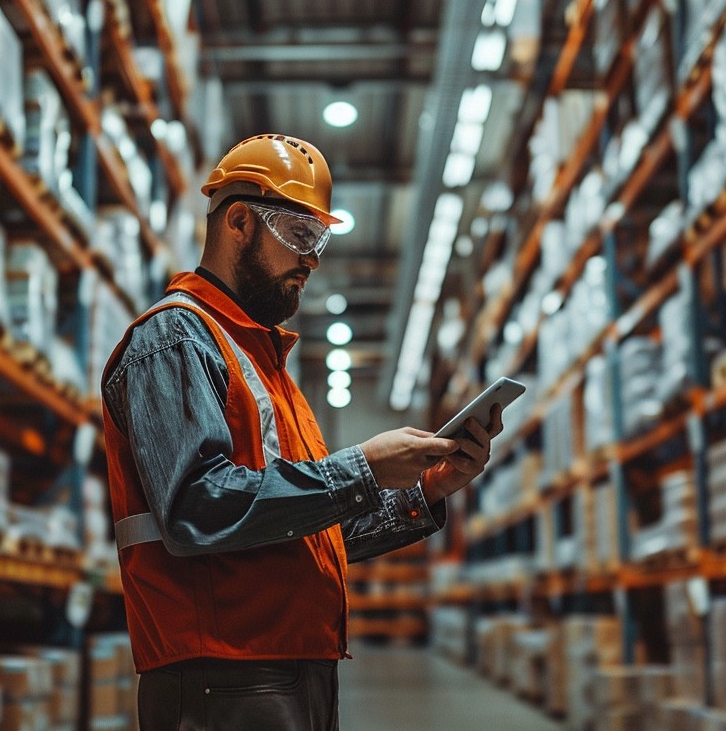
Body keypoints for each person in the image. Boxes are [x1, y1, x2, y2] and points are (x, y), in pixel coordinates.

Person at [101, 134, 503, 731]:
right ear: (239, 222)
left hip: (286, 672)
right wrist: (361, 469)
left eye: (320, 241)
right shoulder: (177, 340)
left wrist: (425, 492)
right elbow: (197, 508)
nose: (312, 260)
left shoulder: (260, 361)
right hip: (224, 680)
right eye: (300, 237)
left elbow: (302, 533)